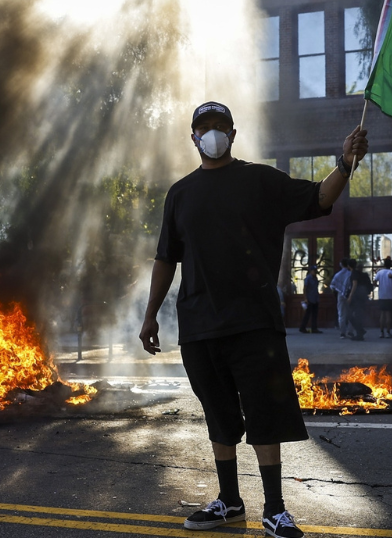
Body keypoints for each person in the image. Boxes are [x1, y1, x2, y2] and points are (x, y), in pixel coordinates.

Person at [138, 101, 367, 538]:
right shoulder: (180, 193)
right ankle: (229, 500)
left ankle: (275, 510)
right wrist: (150, 315)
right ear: (193, 137)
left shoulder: (260, 180)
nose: (212, 133)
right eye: (204, 127)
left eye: (220, 125)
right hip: (199, 325)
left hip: (255, 323)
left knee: (265, 414)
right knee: (219, 416)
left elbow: (319, 198)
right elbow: (166, 258)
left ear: (233, 133)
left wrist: (345, 163)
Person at [345, 259, 372, 340]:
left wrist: (350, 296)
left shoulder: (354, 273)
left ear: (348, 266)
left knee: (350, 315)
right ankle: (360, 332)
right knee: (358, 315)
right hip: (362, 296)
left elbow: (354, 284)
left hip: (356, 297)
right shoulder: (361, 274)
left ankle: (360, 332)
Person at [374, 257, 392, 338]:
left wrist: (379, 286)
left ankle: (381, 332)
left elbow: (374, 282)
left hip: (382, 295)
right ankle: (388, 332)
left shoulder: (380, 272)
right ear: (391, 265)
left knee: (382, 314)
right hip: (390, 295)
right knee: (388, 314)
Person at [329, 259, 353, 338]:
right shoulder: (351, 274)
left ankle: (342, 332)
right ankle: (350, 331)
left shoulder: (338, 274)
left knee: (341, 313)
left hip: (340, 295)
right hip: (350, 295)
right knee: (350, 313)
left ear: (341, 264)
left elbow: (332, 286)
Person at [299, 268, 321, 334]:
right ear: (311, 271)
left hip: (315, 298)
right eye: (314, 271)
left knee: (315, 314)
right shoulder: (308, 278)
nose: (315, 272)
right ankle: (302, 328)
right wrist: (305, 298)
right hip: (309, 299)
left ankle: (314, 328)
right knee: (307, 314)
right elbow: (305, 289)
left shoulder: (315, 278)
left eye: (315, 271)